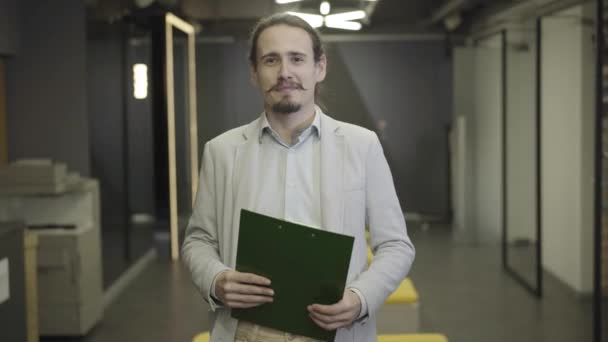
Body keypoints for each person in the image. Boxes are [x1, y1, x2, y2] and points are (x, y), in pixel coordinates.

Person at [182, 13, 415, 342]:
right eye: (271, 60)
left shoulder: (362, 146)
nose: (285, 72)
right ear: (254, 72)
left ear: (319, 67)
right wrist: (216, 280)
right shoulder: (221, 151)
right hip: (247, 332)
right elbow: (198, 241)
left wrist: (360, 299)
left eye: (297, 59)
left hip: (334, 331)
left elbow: (395, 245)